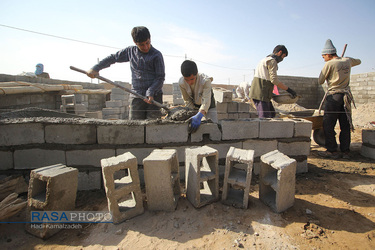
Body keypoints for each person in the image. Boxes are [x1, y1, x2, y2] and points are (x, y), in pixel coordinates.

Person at [87, 26, 165, 120]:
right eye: (141, 45)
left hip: (154, 97)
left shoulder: (156, 55)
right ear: (135, 42)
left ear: (150, 39)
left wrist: (150, 92)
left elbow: (160, 77)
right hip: (137, 96)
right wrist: (96, 68)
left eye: (147, 43)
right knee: (135, 127)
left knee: (153, 127)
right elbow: (113, 58)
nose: (145, 47)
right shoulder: (130, 52)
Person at [317, 39, 361, 159]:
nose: (323, 58)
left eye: (323, 56)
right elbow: (359, 61)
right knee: (345, 124)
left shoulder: (329, 64)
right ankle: (345, 151)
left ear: (328, 54)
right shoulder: (348, 60)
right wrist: (344, 63)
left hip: (334, 97)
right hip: (346, 97)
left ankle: (332, 151)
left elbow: (320, 81)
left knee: (328, 124)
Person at [249, 45, 297, 118]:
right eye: (283, 56)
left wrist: (272, 94)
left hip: (261, 93)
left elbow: (265, 78)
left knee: (272, 114)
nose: (282, 59)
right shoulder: (272, 61)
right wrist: (289, 90)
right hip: (261, 95)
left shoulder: (264, 59)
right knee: (264, 118)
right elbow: (274, 80)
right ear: (280, 52)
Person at [178, 60, 217, 133]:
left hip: (208, 103)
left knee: (214, 127)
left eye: (192, 79)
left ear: (196, 74)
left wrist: (200, 114)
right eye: (187, 80)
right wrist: (193, 112)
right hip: (194, 103)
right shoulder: (181, 83)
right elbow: (187, 100)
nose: (189, 82)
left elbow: (206, 100)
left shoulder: (205, 81)